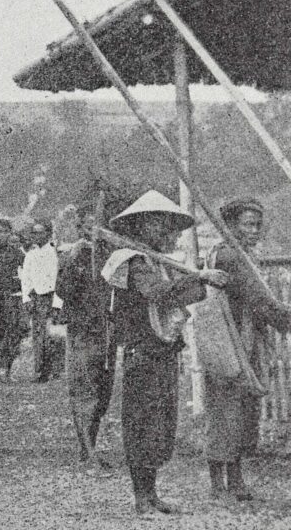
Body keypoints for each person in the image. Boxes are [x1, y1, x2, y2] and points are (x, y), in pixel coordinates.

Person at [102, 190, 227, 515]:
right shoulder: (132, 261)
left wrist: (197, 279)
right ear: (139, 226)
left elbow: (187, 294)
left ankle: (152, 492)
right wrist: (198, 277)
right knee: (141, 422)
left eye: (166, 224)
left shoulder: (161, 262)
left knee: (162, 422)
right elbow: (157, 293)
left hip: (165, 349)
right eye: (155, 223)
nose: (162, 231)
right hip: (142, 351)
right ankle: (141, 495)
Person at [203, 198, 291, 502]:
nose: (254, 231)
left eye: (257, 225)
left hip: (244, 338)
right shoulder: (228, 256)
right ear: (230, 225)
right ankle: (219, 483)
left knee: (241, 409)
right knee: (226, 408)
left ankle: (235, 479)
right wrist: (285, 318)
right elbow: (260, 301)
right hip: (228, 342)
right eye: (247, 225)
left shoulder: (242, 255)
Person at [56, 204, 117, 475]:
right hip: (82, 332)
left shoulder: (111, 255)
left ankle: (88, 448)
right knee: (84, 391)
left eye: (98, 225)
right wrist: (72, 261)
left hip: (107, 332)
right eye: (88, 225)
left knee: (102, 393)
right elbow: (63, 291)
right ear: (80, 228)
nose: (93, 230)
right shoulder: (72, 256)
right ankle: (89, 455)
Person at [0, 219, 26, 382]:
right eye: (0, 231)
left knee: (12, 334)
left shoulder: (17, 253)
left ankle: (7, 371)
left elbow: (26, 274)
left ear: (10, 233)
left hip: (11, 299)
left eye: (6, 232)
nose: (3, 235)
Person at [21, 218, 60, 382]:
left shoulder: (54, 254)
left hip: (50, 297)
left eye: (40, 232)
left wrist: (57, 303)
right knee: (38, 335)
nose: (36, 236)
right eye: (34, 233)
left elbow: (58, 279)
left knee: (51, 335)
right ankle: (39, 370)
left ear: (48, 234)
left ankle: (52, 370)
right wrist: (26, 298)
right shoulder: (31, 254)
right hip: (36, 298)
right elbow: (26, 278)